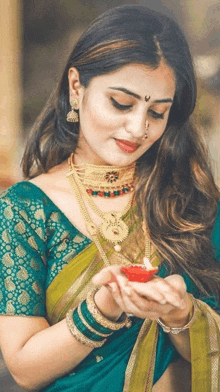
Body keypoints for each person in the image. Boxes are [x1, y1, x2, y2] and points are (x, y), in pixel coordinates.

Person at [0, 5, 219, 392]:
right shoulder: (25, 209)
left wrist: (181, 314)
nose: (138, 128)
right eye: (121, 103)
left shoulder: (190, 200)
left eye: (157, 112)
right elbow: (24, 369)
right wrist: (103, 308)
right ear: (76, 87)